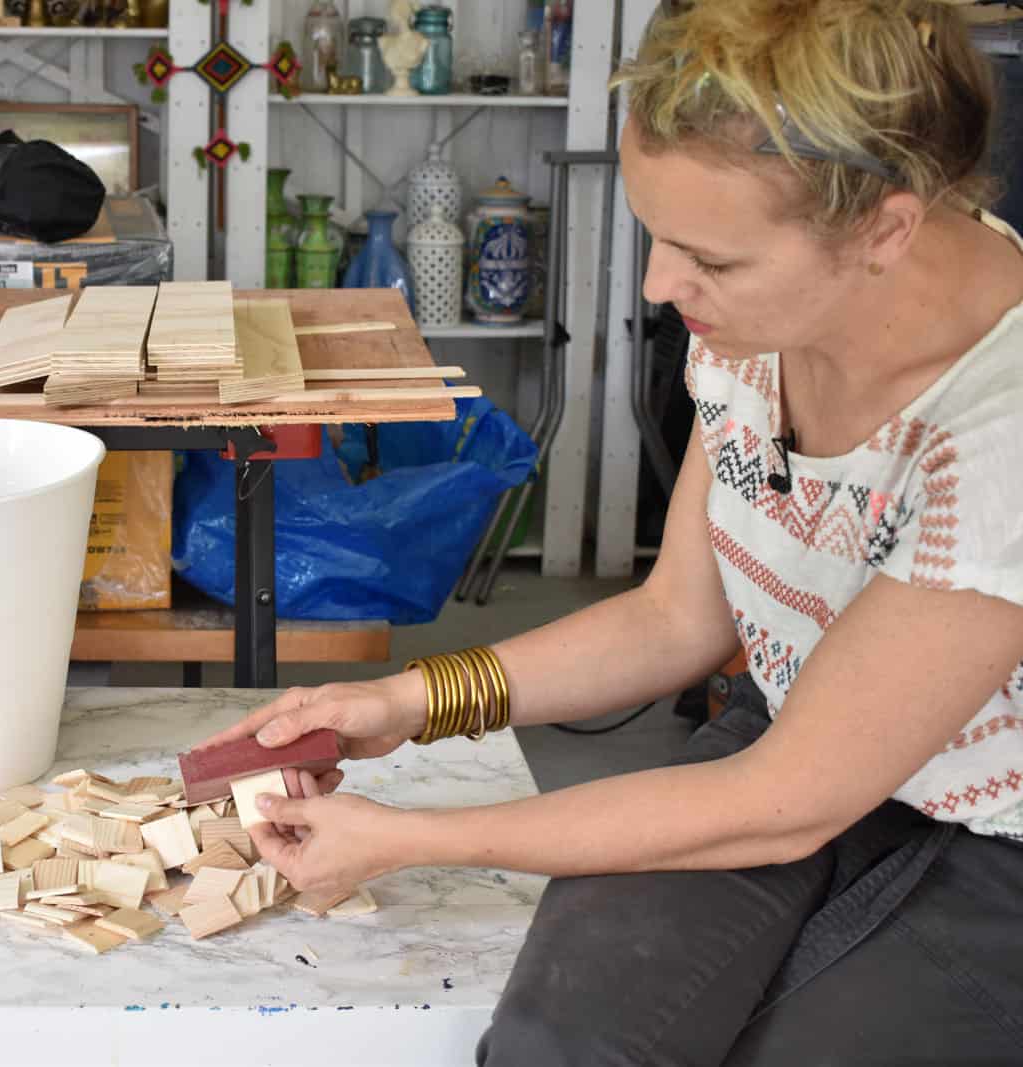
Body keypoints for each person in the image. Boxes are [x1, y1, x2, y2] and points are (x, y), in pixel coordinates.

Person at [197, 0, 1023, 1061]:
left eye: (709, 261)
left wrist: (415, 840)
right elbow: (674, 619)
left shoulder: (996, 433)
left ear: (885, 228)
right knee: (561, 1043)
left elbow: (783, 806)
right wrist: (404, 700)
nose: (658, 288)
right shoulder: (758, 327)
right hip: (799, 732)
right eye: (655, 235)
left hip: (990, 826)